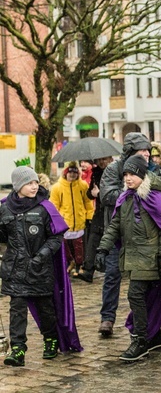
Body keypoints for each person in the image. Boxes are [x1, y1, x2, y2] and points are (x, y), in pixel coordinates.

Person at [98, 132, 161, 338]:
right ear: (131, 151)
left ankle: (149, 328)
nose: (147, 154)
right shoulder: (115, 170)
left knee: (140, 288)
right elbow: (106, 195)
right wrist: (130, 195)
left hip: (143, 238)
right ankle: (108, 317)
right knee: (113, 276)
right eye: (142, 151)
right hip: (120, 233)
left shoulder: (147, 170)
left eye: (148, 151)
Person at [95, 155, 161, 361]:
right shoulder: (125, 198)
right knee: (146, 297)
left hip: (150, 257)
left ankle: (141, 340)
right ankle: (155, 335)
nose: (128, 178)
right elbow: (115, 225)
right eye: (125, 174)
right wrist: (102, 249)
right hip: (133, 256)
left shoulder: (155, 197)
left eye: (132, 174)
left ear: (142, 174)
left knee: (136, 295)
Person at [1, 167, 72, 366]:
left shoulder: (45, 207)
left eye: (35, 183)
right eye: (29, 183)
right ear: (18, 186)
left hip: (39, 269)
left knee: (45, 309)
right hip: (15, 269)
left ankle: (50, 340)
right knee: (16, 310)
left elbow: (56, 236)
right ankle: (17, 349)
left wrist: (41, 257)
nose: (34, 187)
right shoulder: (4, 208)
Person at [49, 161, 94, 277]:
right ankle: (69, 263)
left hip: (79, 221)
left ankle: (79, 265)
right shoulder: (57, 188)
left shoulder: (83, 186)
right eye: (70, 172)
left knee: (79, 246)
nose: (72, 175)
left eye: (75, 172)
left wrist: (89, 216)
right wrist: (57, 221)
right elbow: (54, 206)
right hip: (65, 223)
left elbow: (88, 203)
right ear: (65, 173)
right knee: (65, 246)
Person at [78, 156, 114, 283]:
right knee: (93, 240)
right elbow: (89, 193)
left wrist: (99, 194)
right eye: (99, 160)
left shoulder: (115, 172)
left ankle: (111, 268)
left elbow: (114, 195)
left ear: (110, 159)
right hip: (98, 212)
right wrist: (92, 194)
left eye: (104, 159)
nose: (101, 162)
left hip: (111, 212)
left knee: (109, 241)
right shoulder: (95, 173)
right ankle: (88, 270)